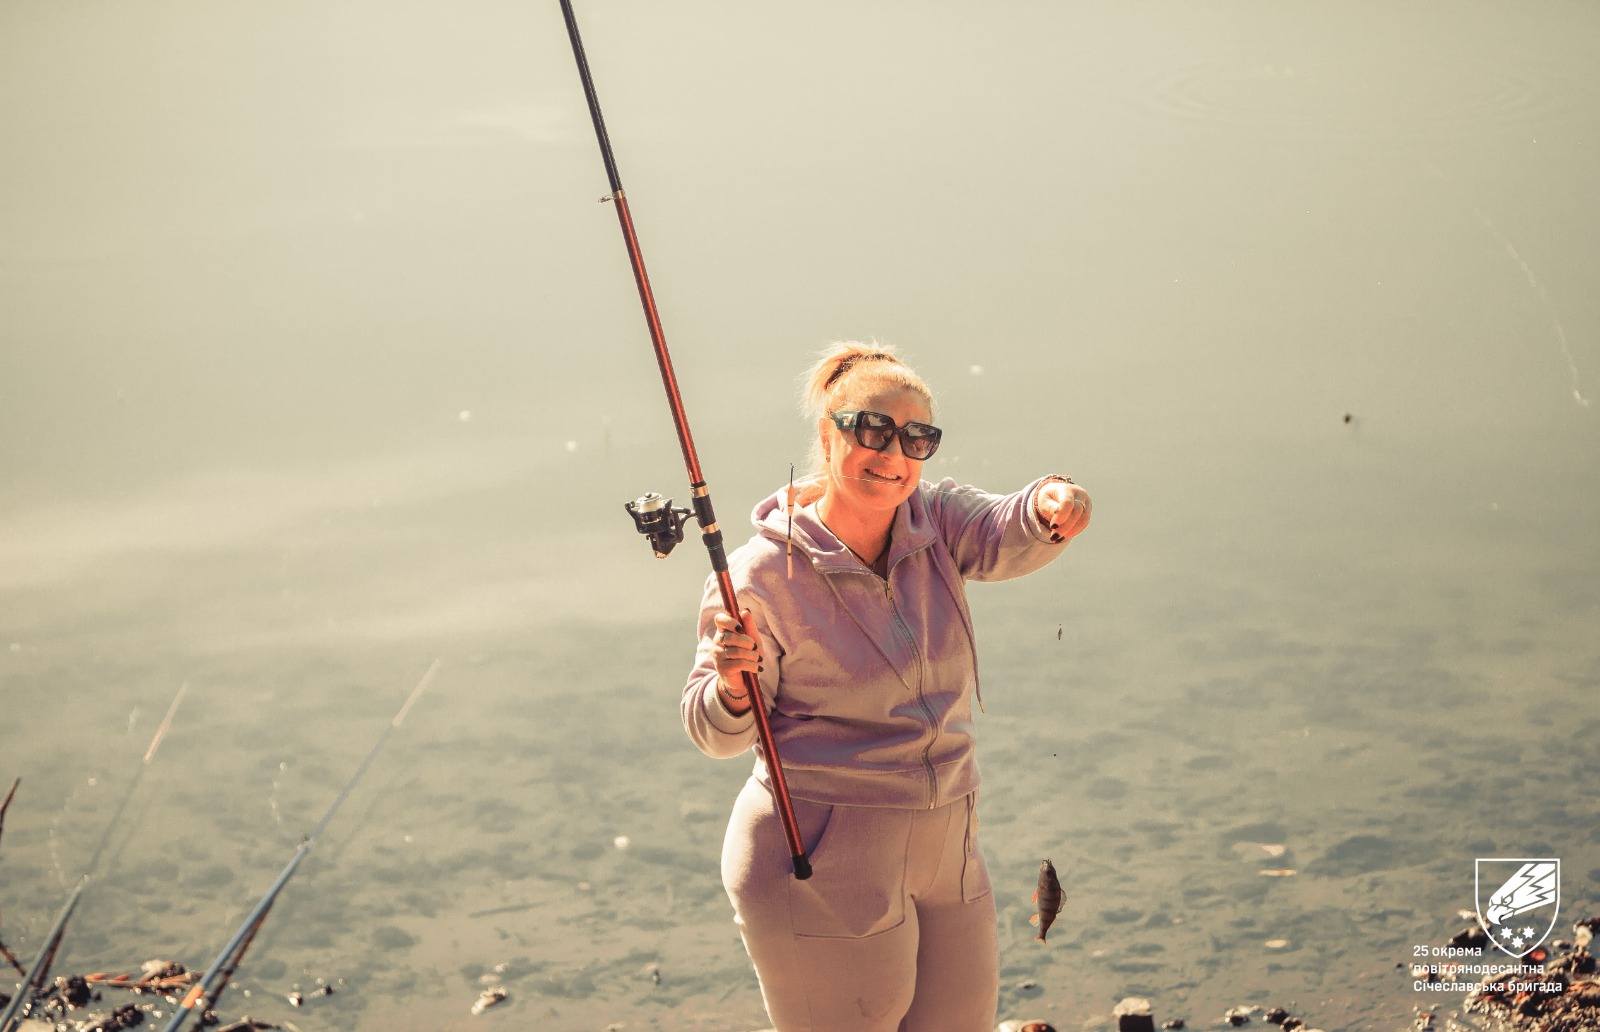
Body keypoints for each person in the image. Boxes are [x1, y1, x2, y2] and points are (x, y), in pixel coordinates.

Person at [680, 341, 1092, 1032]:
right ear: (827, 435)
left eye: (916, 438)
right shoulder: (759, 574)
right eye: (872, 430)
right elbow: (714, 733)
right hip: (816, 856)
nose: (894, 453)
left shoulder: (938, 521)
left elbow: (1007, 526)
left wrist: (1055, 503)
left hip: (949, 841)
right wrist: (731, 682)